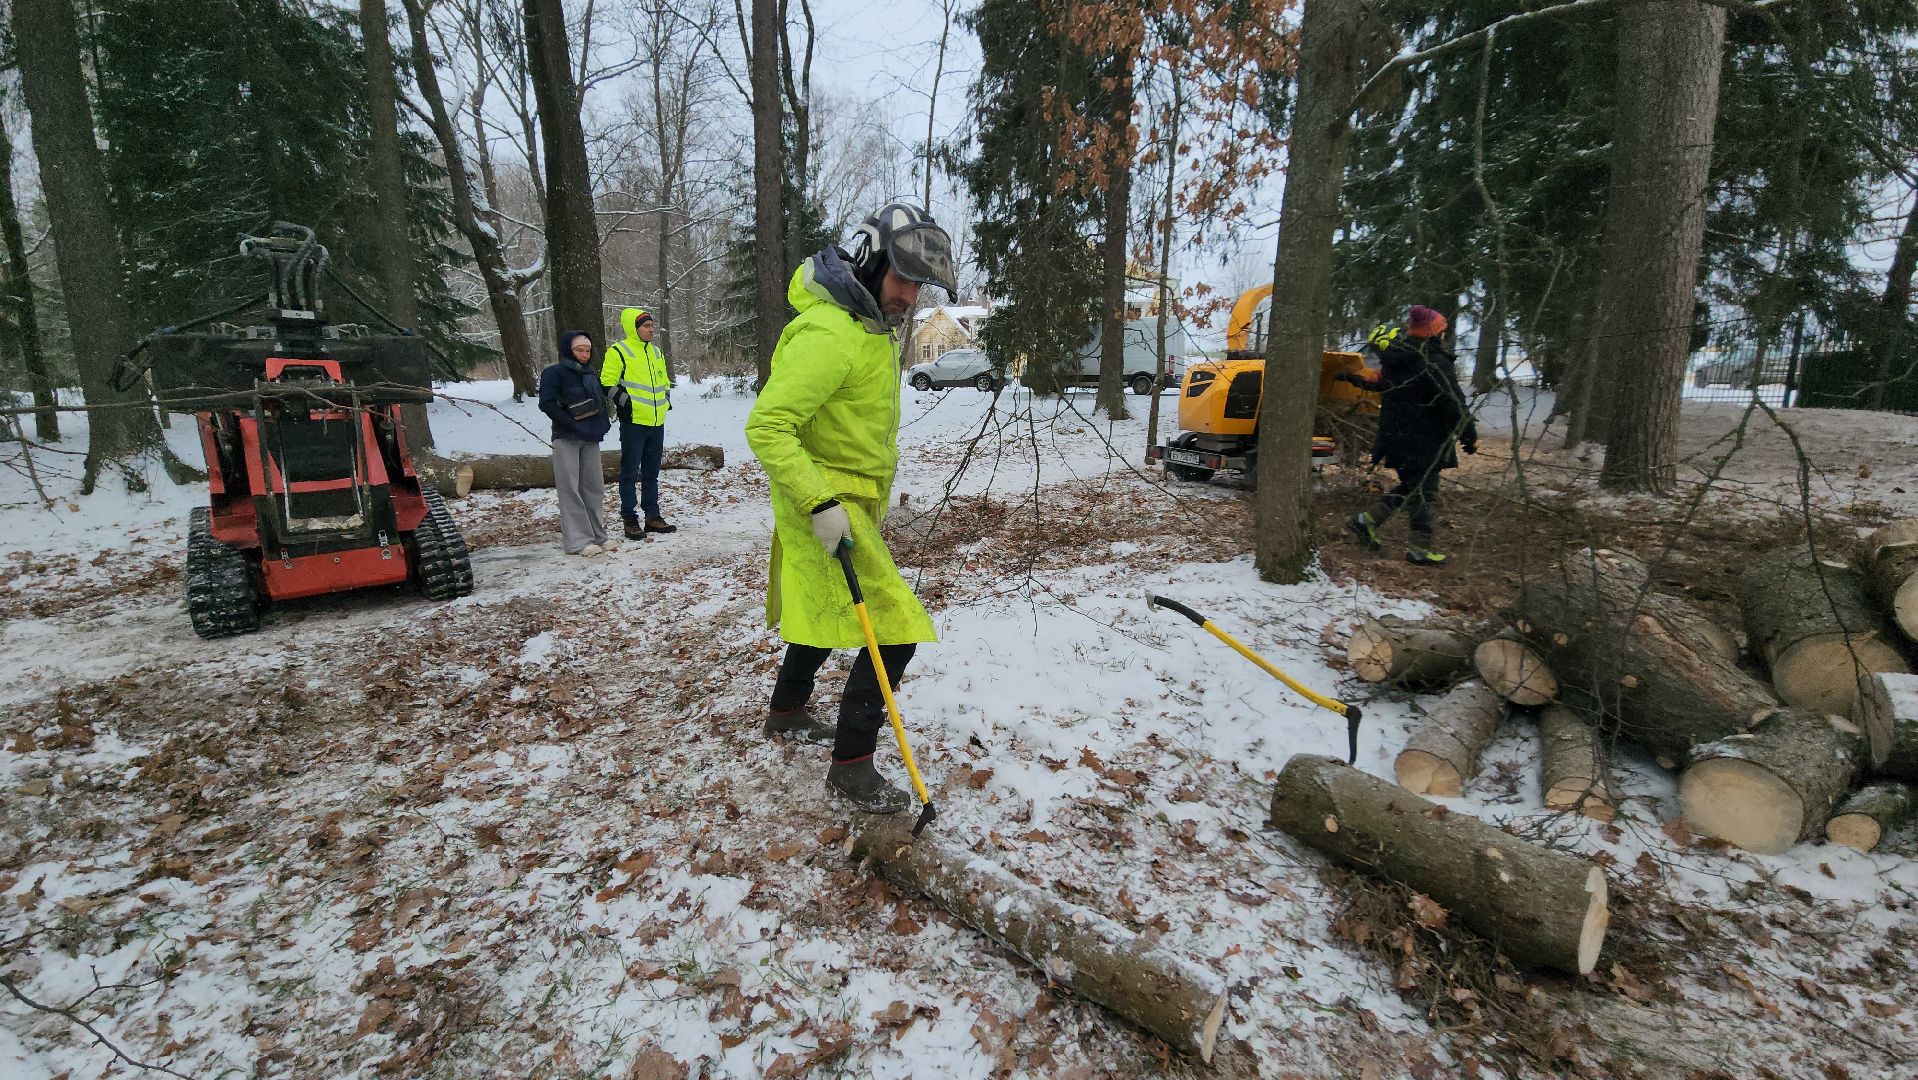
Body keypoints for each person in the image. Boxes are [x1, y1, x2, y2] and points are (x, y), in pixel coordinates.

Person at [744, 202, 958, 814]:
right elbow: (769, 426)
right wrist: (820, 502)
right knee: (893, 627)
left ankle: (785, 713)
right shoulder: (831, 333)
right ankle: (852, 766)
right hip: (824, 501)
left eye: (919, 284)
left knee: (827, 603)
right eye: (902, 278)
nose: (910, 295)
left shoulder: (869, 327)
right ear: (868, 261)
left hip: (850, 500)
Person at [1337, 304, 1477, 566]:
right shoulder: (1434, 362)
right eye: (1442, 330)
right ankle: (1416, 547)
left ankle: (1368, 522)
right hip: (1424, 440)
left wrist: (1352, 379)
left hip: (1397, 438)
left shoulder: (1398, 359)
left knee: (1415, 488)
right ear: (1434, 333)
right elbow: (1453, 402)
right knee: (1423, 490)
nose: (1444, 334)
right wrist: (1468, 433)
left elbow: (1379, 383)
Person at [538, 330, 617, 556]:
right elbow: (547, 403)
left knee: (593, 487)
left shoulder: (590, 373)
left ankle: (598, 535)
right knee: (570, 489)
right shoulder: (554, 373)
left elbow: (598, 404)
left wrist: (600, 426)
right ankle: (578, 541)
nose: (584, 354)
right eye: (579, 350)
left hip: (590, 436)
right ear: (568, 350)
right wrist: (570, 422)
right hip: (566, 437)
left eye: (587, 350)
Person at [600, 307, 675, 539]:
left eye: (652, 326)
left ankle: (652, 517)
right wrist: (627, 404)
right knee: (630, 472)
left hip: (656, 421)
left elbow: (664, 382)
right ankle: (630, 519)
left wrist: (665, 401)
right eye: (646, 326)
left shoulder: (656, 353)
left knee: (652, 472)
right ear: (634, 328)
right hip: (633, 422)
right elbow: (606, 382)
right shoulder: (619, 351)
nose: (651, 330)